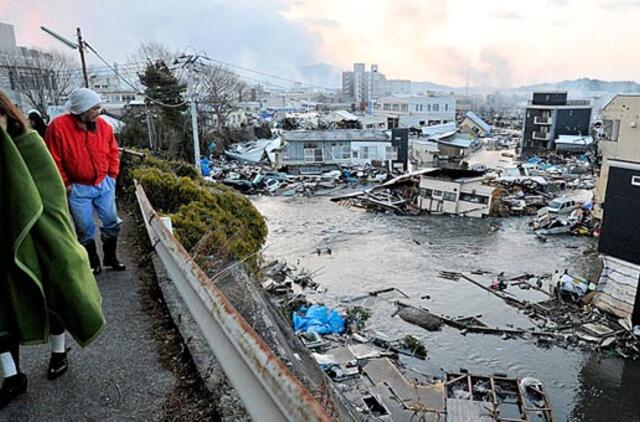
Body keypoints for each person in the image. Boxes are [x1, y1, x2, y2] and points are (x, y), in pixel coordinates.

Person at [0, 90, 105, 409]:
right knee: (2, 311)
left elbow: (51, 196)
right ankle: (12, 375)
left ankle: (59, 352)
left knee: (54, 289)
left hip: (40, 233)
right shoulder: (61, 127)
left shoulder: (29, 145)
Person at [45, 88, 125, 274]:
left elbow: (113, 151)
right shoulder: (58, 127)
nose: (98, 112)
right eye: (94, 108)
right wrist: (66, 183)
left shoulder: (103, 126)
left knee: (111, 221)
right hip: (77, 187)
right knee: (84, 227)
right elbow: (53, 158)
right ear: (81, 109)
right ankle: (92, 262)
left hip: (103, 183)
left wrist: (112, 175)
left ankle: (110, 258)